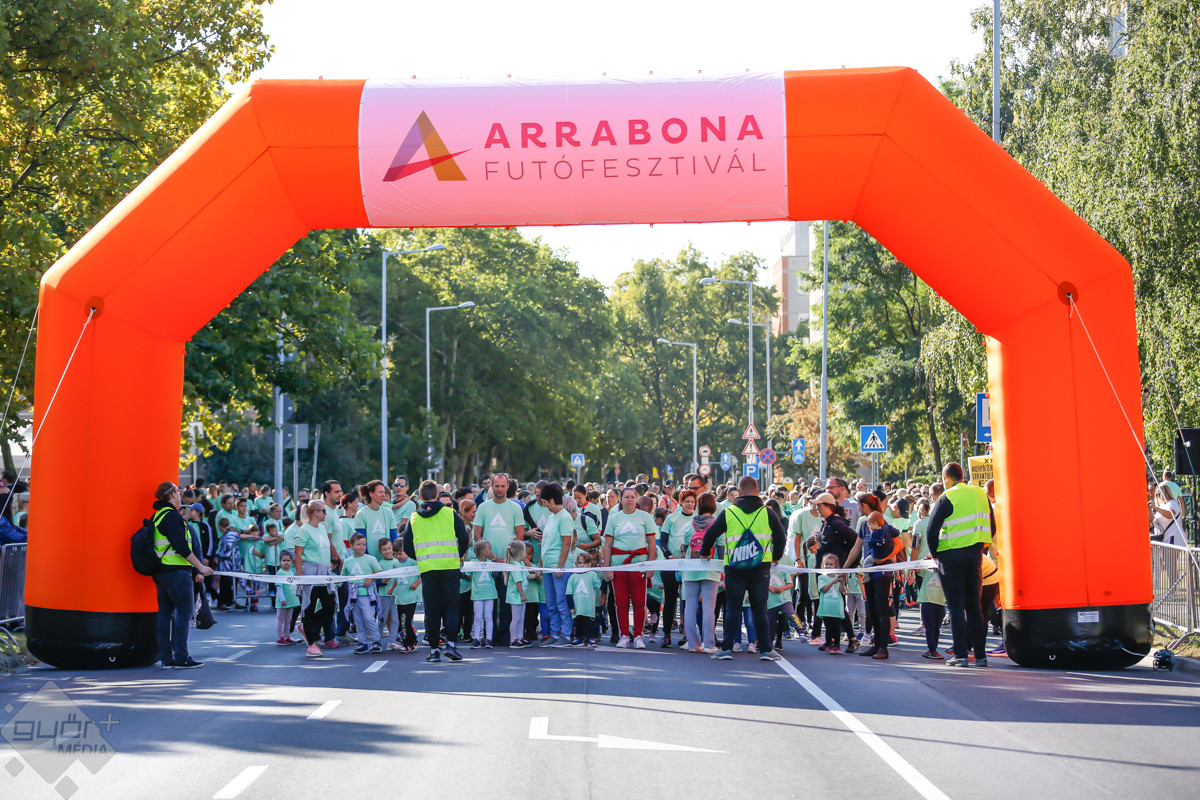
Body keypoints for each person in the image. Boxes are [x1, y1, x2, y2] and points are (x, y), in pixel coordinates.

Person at [701, 476, 786, 662]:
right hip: (761, 567)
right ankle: (766, 650)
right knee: (760, 609)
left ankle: (726, 649)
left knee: (732, 609)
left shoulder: (729, 512)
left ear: (738, 492)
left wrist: (705, 552)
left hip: (734, 568)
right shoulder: (767, 513)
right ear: (757, 492)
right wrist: (776, 556)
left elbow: (711, 534)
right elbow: (781, 536)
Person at [926, 462, 996, 667]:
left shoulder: (946, 497)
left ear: (946, 478)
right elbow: (992, 526)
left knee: (956, 607)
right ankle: (980, 656)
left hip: (950, 557)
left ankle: (960, 655)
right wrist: (980, 548)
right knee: (974, 607)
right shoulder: (980, 494)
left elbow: (931, 531)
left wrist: (935, 556)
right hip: (975, 556)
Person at [403, 479, 470, 663]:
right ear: (437, 495)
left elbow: (407, 546)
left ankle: (433, 650)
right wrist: (458, 554)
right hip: (450, 567)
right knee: (451, 607)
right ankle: (452, 645)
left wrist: (422, 558)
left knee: (432, 610)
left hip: (428, 569)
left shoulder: (414, 518)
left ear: (421, 496)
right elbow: (464, 538)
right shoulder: (450, 513)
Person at [149, 482, 214, 668]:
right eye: (177, 491)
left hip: (162, 571)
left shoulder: (157, 515)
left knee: (165, 613)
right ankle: (181, 657)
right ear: (171, 495)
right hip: (177, 572)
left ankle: (166, 658)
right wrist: (200, 567)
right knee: (185, 613)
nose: (180, 494)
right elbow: (181, 546)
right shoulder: (171, 516)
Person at [601, 486, 658, 648]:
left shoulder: (644, 517)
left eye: (633, 497)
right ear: (621, 499)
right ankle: (624, 635)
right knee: (621, 602)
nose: (630, 500)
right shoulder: (614, 518)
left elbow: (651, 542)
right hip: (619, 566)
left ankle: (639, 636)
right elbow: (608, 544)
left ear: (636, 499)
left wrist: (650, 565)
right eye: (626, 497)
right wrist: (607, 568)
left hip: (639, 566)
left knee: (640, 602)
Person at [473, 473, 525, 646]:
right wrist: (487, 555)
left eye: (503, 486)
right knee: (489, 600)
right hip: (488, 564)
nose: (500, 489)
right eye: (497, 486)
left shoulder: (515, 508)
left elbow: (520, 535)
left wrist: (508, 557)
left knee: (506, 600)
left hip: (507, 564)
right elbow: (477, 534)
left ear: (508, 486)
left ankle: (504, 634)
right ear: (491, 487)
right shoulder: (483, 507)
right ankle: (489, 635)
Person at [293, 500, 336, 658]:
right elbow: (297, 554)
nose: (325, 513)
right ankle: (311, 644)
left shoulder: (322, 528)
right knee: (309, 607)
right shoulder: (304, 530)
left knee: (330, 606)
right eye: (323, 511)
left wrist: (333, 559)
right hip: (310, 572)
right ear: (315, 513)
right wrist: (299, 576)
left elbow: (325, 547)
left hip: (324, 572)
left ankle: (307, 627)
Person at [682, 493, 722, 653]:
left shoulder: (689, 525)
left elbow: (686, 548)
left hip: (691, 570)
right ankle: (709, 644)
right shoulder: (717, 525)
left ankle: (693, 644)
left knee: (690, 607)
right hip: (711, 570)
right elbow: (722, 551)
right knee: (709, 608)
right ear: (713, 506)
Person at [538, 483, 576, 648]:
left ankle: (566, 635)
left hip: (560, 567)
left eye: (545, 502)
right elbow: (545, 543)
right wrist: (541, 565)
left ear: (552, 500)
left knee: (562, 602)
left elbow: (566, 543)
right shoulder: (551, 518)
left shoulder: (564, 517)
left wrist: (561, 566)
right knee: (551, 603)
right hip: (548, 567)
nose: (544, 506)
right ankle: (555, 634)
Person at [657, 489, 696, 648]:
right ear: (681, 502)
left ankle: (687, 634)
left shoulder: (697, 519)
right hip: (671, 564)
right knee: (670, 600)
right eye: (687, 501)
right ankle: (666, 635)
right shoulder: (671, 518)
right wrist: (669, 555)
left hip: (689, 565)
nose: (690, 504)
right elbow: (663, 541)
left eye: (692, 501)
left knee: (688, 601)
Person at [567, 551, 603, 647]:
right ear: (576, 564)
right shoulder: (573, 577)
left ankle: (591, 638)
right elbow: (569, 593)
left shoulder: (593, 575)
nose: (582, 565)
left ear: (590, 564)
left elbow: (599, 585)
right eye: (580, 563)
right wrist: (571, 606)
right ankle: (579, 639)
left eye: (585, 563)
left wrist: (606, 579)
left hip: (589, 608)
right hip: (577, 608)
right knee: (578, 624)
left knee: (590, 624)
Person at [469, 540, 498, 649]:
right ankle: (476, 638)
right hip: (478, 594)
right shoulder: (473, 562)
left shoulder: (490, 563)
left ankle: (489, 639)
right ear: (483, 552)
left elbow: (495, 575)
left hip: (489, 593)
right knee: (477, 616)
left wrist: (494, 563)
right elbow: (468, 574)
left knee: (488, 616)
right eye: (489, 549)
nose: (491, 551)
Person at [817, 554, 848, 654]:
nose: (828, 566)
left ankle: (837, 646)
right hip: (826, 607)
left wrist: (842, 582)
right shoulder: (821, 578)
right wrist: (833, 581)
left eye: (831, 564)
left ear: (835, 566)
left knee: (837, 628)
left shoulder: (838, 577)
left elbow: (842, 591)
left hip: (837, 607)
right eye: (826, 564)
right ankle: (829, 645)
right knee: (829, 628)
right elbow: (824, 590)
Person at [504, 540, 533, 648]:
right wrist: (522, 595)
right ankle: (513, 640)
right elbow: (518, 582)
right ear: (521, 552)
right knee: (516, 618)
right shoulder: (515, 566)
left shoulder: (521, 564)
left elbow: (527, 576)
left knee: (521, 618)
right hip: (516, 596)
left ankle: (519, 638)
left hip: (520, 597)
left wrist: (537, 575)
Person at [275, 550, 301, 645]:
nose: (286, 562)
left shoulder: (291, 572)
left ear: (291, 562)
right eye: (284, 560)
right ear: (280, 562)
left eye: (288, 560)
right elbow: (279, 587)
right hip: (283, 601)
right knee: (280, 619)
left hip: (290, 601)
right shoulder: (280, 573)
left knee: (288, 620)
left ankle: (287, 636)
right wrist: (282, 599)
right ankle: (280, 637)